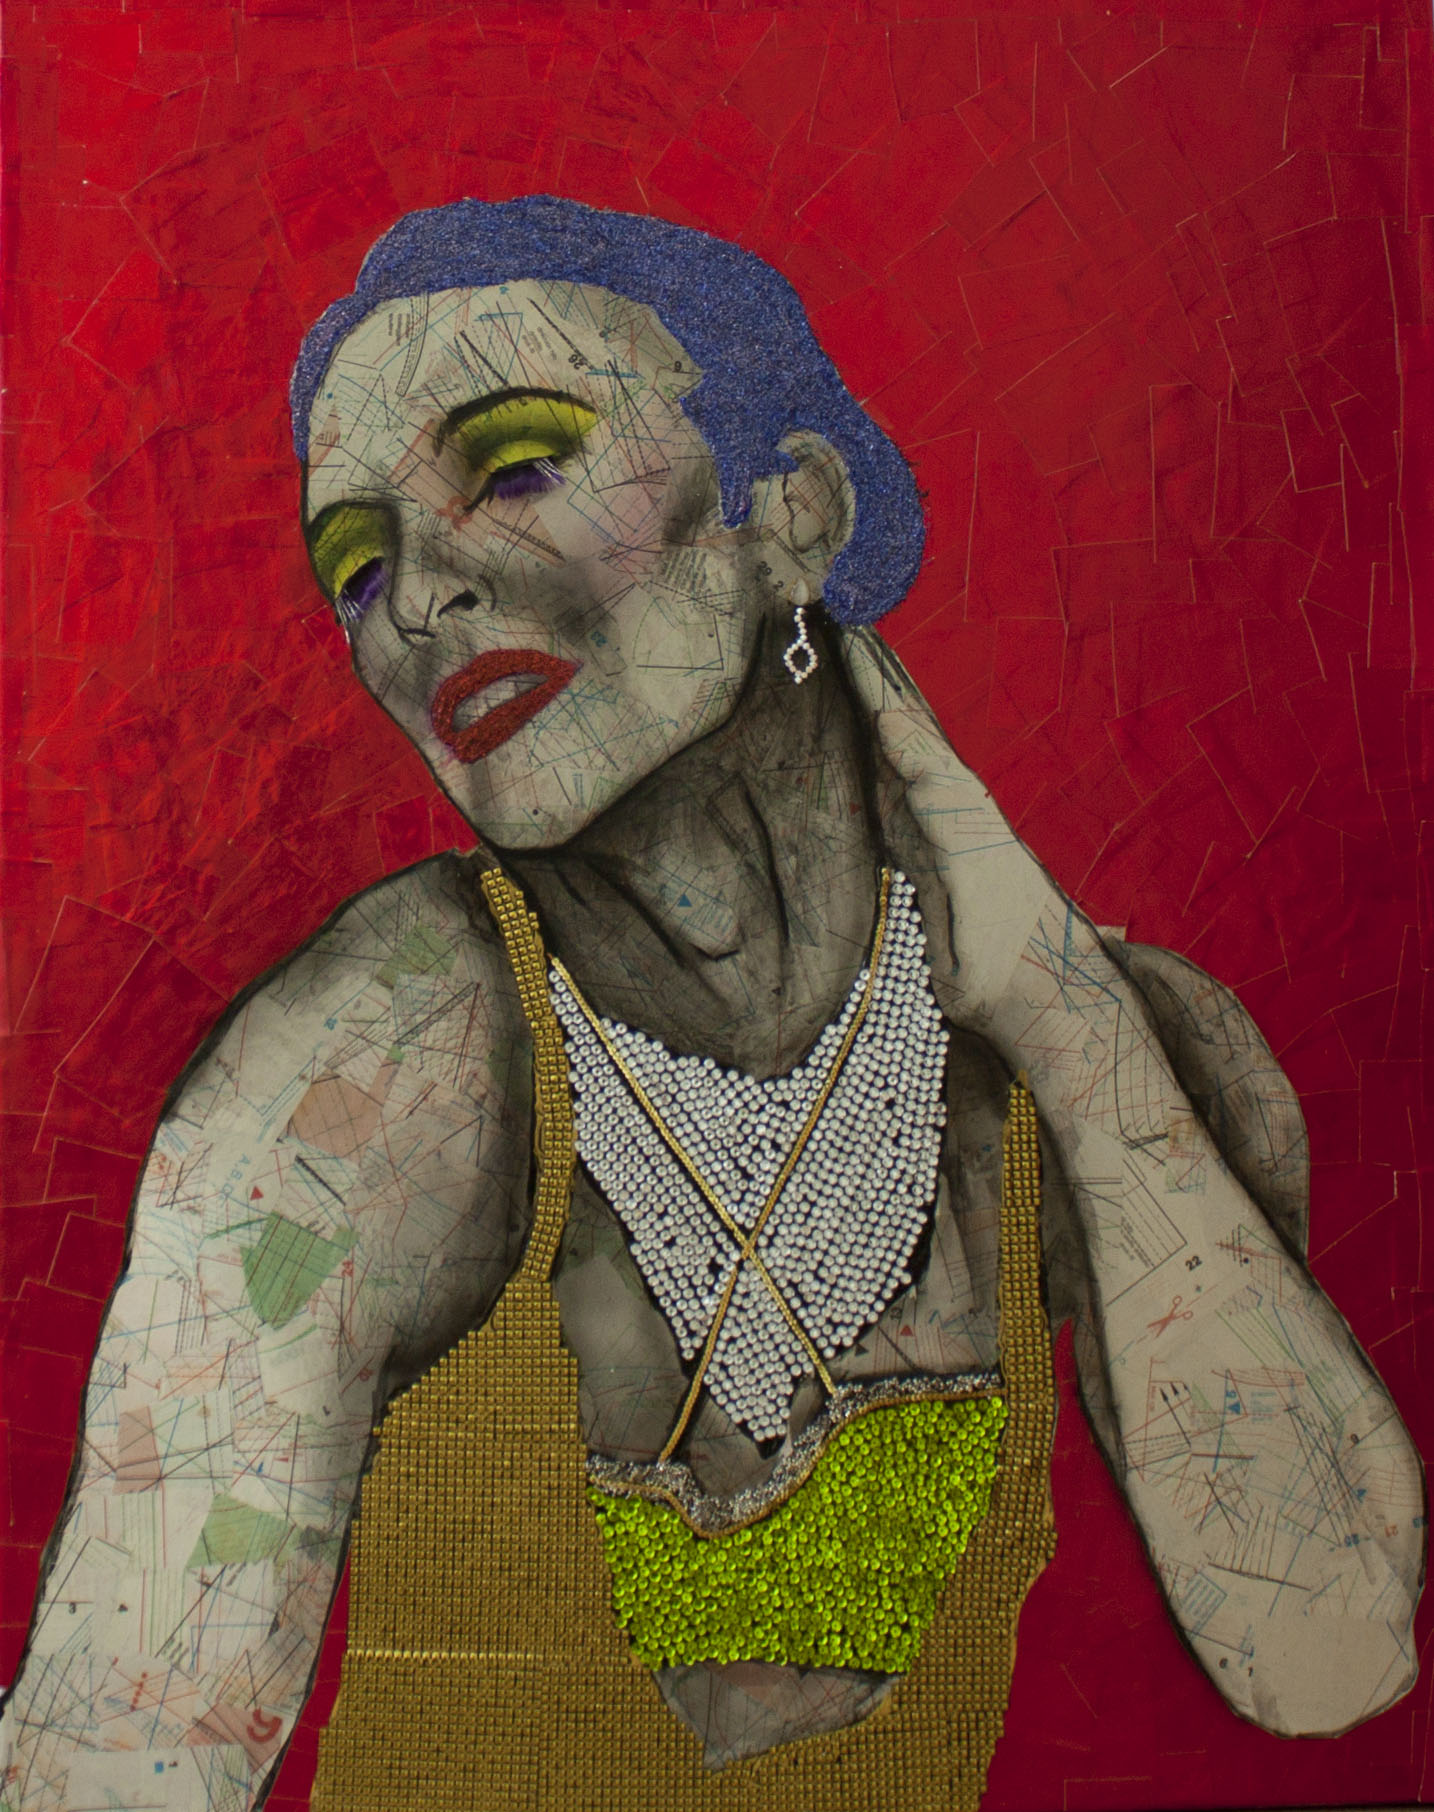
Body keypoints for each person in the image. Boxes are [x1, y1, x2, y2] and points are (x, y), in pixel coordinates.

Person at [1, 197, 1423, 1812]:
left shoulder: (1126, 1045)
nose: (414, 602)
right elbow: (115, 1757)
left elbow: (1323, 1658)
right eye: (358, 563)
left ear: (793, 511)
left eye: (513, 466)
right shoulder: (361, 1065)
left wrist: (1063, 1014)